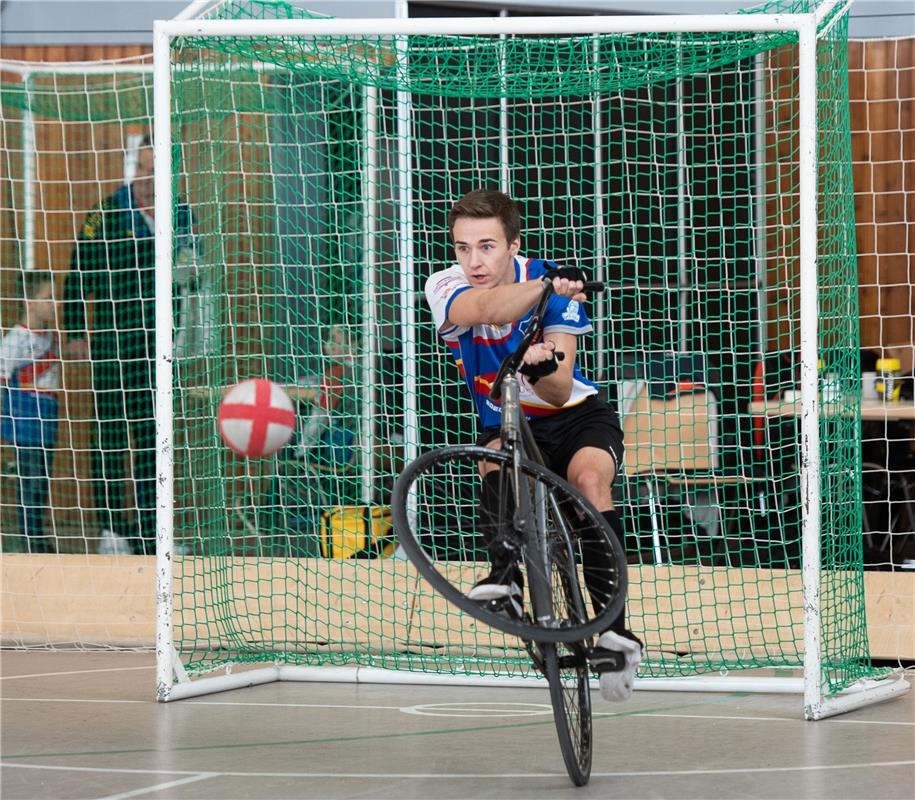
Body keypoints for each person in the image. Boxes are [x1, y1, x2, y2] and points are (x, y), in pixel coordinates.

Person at [424, 189, 642, 701]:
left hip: (574, 419)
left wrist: (539, 367)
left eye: (487, 247)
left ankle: (614, 629)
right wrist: (549, 289)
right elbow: (481, 307)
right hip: (507, 422)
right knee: (496, 455)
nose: (474, 261)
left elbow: (560, 389)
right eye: (462, 247)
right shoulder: (447, 284)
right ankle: (506, 577)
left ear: (513, 245)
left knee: (588, 482)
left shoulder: (552, 284)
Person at [63, 136, 196, 556]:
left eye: (154, 169)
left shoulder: (181, 212)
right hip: (111, 343)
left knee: (152, 437)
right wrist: (75, 331)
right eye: (140, 168)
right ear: (130, 169)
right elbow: (77, 271)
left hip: (159, 345)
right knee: (109, 436)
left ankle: (151, 530)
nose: (147, 177)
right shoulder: (106, 211)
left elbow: (195, 277)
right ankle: (111, 530)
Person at [0, 271, 69, 553]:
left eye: (56, 297)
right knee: (31, 480)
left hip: (47, 416)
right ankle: (30, 539)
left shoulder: (50, 336)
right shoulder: (15, 340)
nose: (55, 304)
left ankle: (37, 534)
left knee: (42, 480)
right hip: (25, 419)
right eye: (47, 298)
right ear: (29, 302)